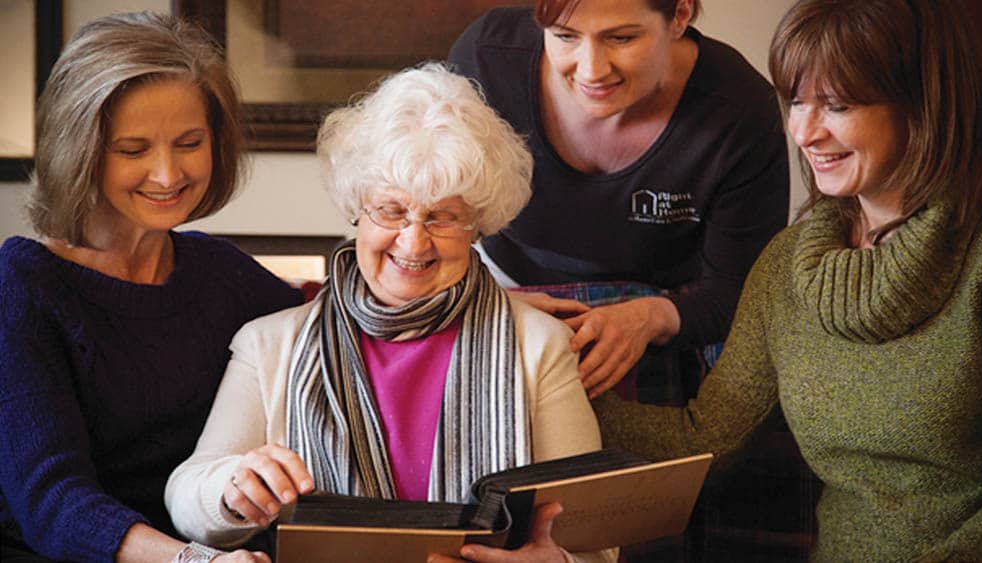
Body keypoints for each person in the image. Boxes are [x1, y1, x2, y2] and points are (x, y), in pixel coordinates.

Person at [594, 0, 982, 560]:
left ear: (921, 106)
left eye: (836, 105)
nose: (802, 131)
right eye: (797, 101)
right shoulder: (788, 265)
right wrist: (547, 391)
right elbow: (707, 437)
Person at [165, 63, 614, 563]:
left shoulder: (539, 345)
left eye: (443, 216)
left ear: (478, 226)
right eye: (392, 211)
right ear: (356, 209)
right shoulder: (269, 344)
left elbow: (591, 540)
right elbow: (187, 498)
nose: (414, 241)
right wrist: (231, 488)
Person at [0, 12, 303, 563]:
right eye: (133, 150)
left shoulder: (220, 271)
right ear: (81, 151)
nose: (167, 175)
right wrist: (193, 562)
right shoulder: (23, 286)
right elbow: (53, 504)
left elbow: (345, 332)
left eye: (189, 142)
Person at [448, 0, 789, 403]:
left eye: (621, 38)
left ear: (680, 15)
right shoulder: (487, 60)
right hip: (510, 294)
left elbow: (736, 291)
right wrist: (491, 304)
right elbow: (434, 218)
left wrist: (651, 315)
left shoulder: (739, 111)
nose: (592, 70)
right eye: (565, 37)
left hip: (677, 315)